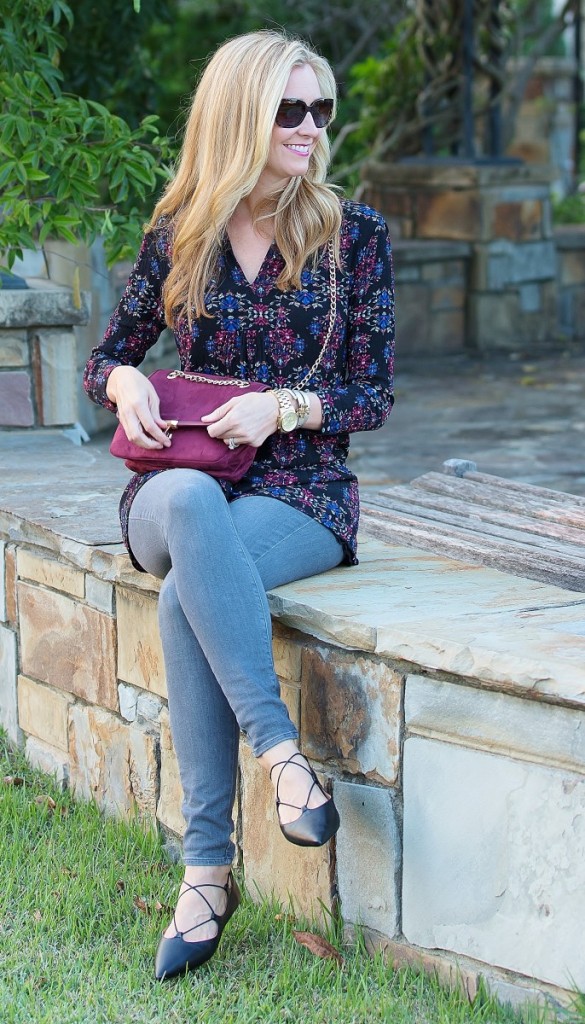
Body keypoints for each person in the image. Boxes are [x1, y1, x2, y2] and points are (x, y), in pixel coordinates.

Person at [83, 29, 395, 981]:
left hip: (298, 494)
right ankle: (280, 752)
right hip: (175, 486)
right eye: (288, 111)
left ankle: (207, 869)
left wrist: (284, 407)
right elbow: (108, 355)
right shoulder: (179, 233)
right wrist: (123, 386)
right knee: (182, 502)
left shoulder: (353, 239)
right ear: (238, 117)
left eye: (320, 110)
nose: (310, 129)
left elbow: (372, 394)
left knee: (190, 597)